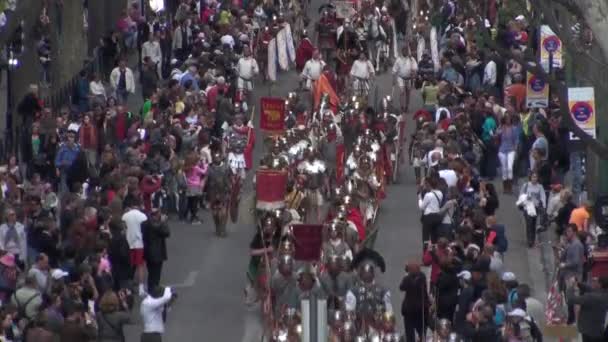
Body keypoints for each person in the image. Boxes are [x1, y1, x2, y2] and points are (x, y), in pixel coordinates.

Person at [565, 276, 608, 342]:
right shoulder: (604, 295)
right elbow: (592, 289)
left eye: (596, 281)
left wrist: (570, 287)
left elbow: (571, 299)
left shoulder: (591, 297)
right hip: (598, 330)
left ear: (600, 284)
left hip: (588, 331)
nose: (593, 282)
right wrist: (578, 283)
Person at [122, 195, 148, 296]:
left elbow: (124, 229)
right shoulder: (143, 216)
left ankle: (128, 287)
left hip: (128, 243)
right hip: (139, 243)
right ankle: (141, 288)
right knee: (140, 266)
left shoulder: (125, 216)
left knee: (129, 265)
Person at [399, 262, 429, 342]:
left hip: (410, 311)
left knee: (410, 333)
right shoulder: (422, 277)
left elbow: (401, 287)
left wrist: (406, 274)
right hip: (420, 310)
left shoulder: (407, 279)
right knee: (421, 331)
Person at [142, 209, 170, 291]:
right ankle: (154, 290)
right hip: (157, 253)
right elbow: (167, 232)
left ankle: (152, 288)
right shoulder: (156, 225)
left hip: (148, 252)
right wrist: (164, 222)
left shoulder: (145, 224)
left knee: (151, 273)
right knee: (156, 274)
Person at [519, 171, 546, 248]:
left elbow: (543, 196)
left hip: (535, 208)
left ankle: (533, 239)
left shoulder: (540, 187)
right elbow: (521, 195)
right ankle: (529, 241)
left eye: (536, 177)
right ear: (530, 177)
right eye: (533, 177)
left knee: (533, 224)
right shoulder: (526, 185)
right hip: (527, 208)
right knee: (529, 224)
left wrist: (543, 205)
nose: (534, 178)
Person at [392, 47, 418, 112]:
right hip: (401, 78)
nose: (405, 52)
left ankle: (407, 106)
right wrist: (393, 79)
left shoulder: (411, 59)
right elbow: (394, 70)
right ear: (402, 52)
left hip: (409, 79)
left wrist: (414, 73)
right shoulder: (398, 60)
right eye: (404, 51)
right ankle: (402, 106)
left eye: (406, 51)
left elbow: (415, 68)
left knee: (408, 93)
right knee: (402, 92)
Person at [498, 114, 518, 193]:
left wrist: (516, 149)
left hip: (511, 150)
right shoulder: (501, 127)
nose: (508, 120)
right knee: (504, 168)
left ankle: (510, 187)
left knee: (510, 168)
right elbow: (496, 135)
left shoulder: (514, 128)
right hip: (502, 150)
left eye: (509, 119)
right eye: (506, 119)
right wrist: (500, 130)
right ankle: (505, 188)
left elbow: (516, 140)